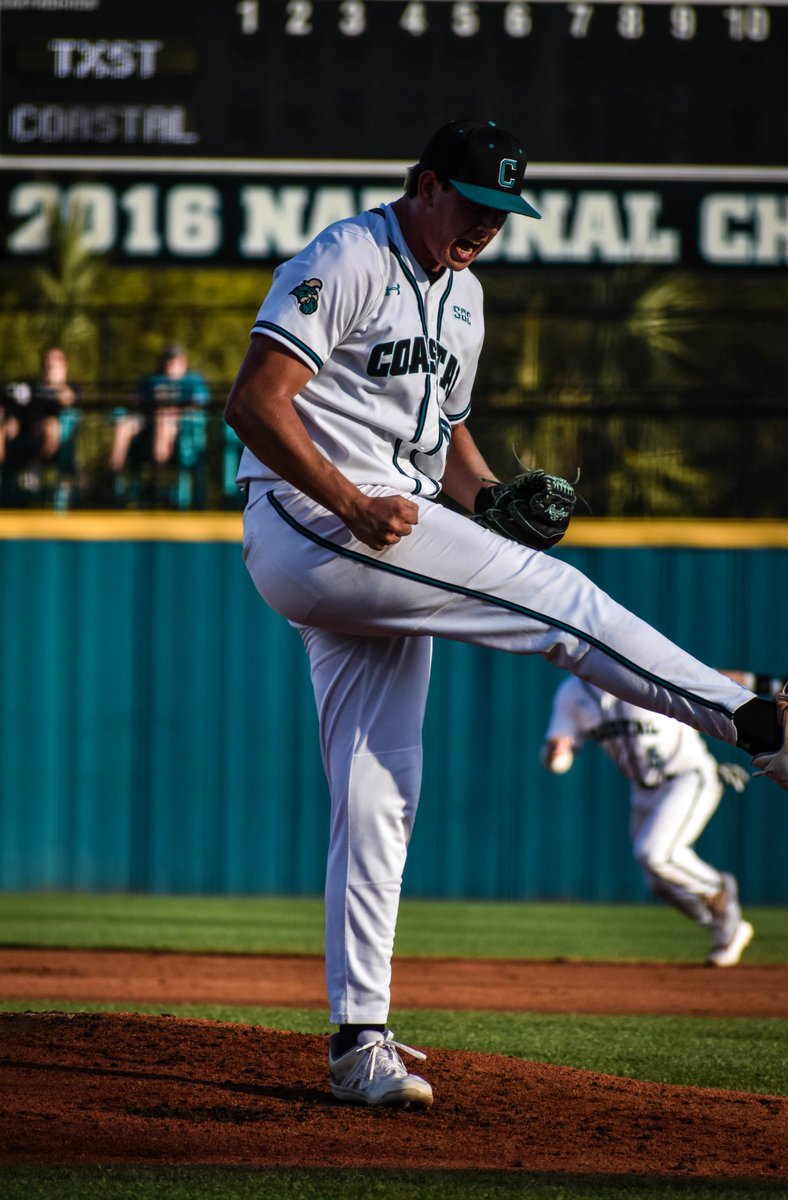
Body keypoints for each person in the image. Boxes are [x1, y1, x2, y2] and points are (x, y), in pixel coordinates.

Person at [224, 118, 787, 1109]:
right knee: (563, 609)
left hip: (381, 529)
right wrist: (350, 504)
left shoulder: (466, 299)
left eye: (501, 214)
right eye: (474, 205)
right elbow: (256, 402)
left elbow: (442, 447)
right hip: (311, 519)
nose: (485, 228)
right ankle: (759, 722)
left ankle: (360, 1040)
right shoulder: (344, 255)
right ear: (425, 183)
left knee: (378, 791)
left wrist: (490, 499)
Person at [540, 676, 760, 967]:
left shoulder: (644, 673)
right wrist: (555, 754)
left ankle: (719, 889)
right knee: (659, 882)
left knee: (654, 854)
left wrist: (761, 684)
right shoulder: (572, 692)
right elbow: (557, 760)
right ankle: (725, 927)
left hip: (688, 777)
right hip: (643, 791)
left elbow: (710, 685)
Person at [109, 343, 210, 502]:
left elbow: (201, 403)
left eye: (174, 360)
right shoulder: (150, 380)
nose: (170, 364)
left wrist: (175, 410)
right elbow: (134, 402)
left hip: (180, 426)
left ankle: (157, 479)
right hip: (146, 423)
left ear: (183, 362)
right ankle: (115, 476)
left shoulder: (193, 381)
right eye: (167, 360)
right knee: (123, 424)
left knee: (164, 420)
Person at [0, 347, 79, 502]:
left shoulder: (70, 388)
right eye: (46, 362)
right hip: (20, 439)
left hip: (53, 445)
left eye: (54, 362)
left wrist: (54, 385)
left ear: (64, 366)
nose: (49, 366)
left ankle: (34, 467)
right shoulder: (30, 386)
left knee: (50, 426)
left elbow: (69, 399)